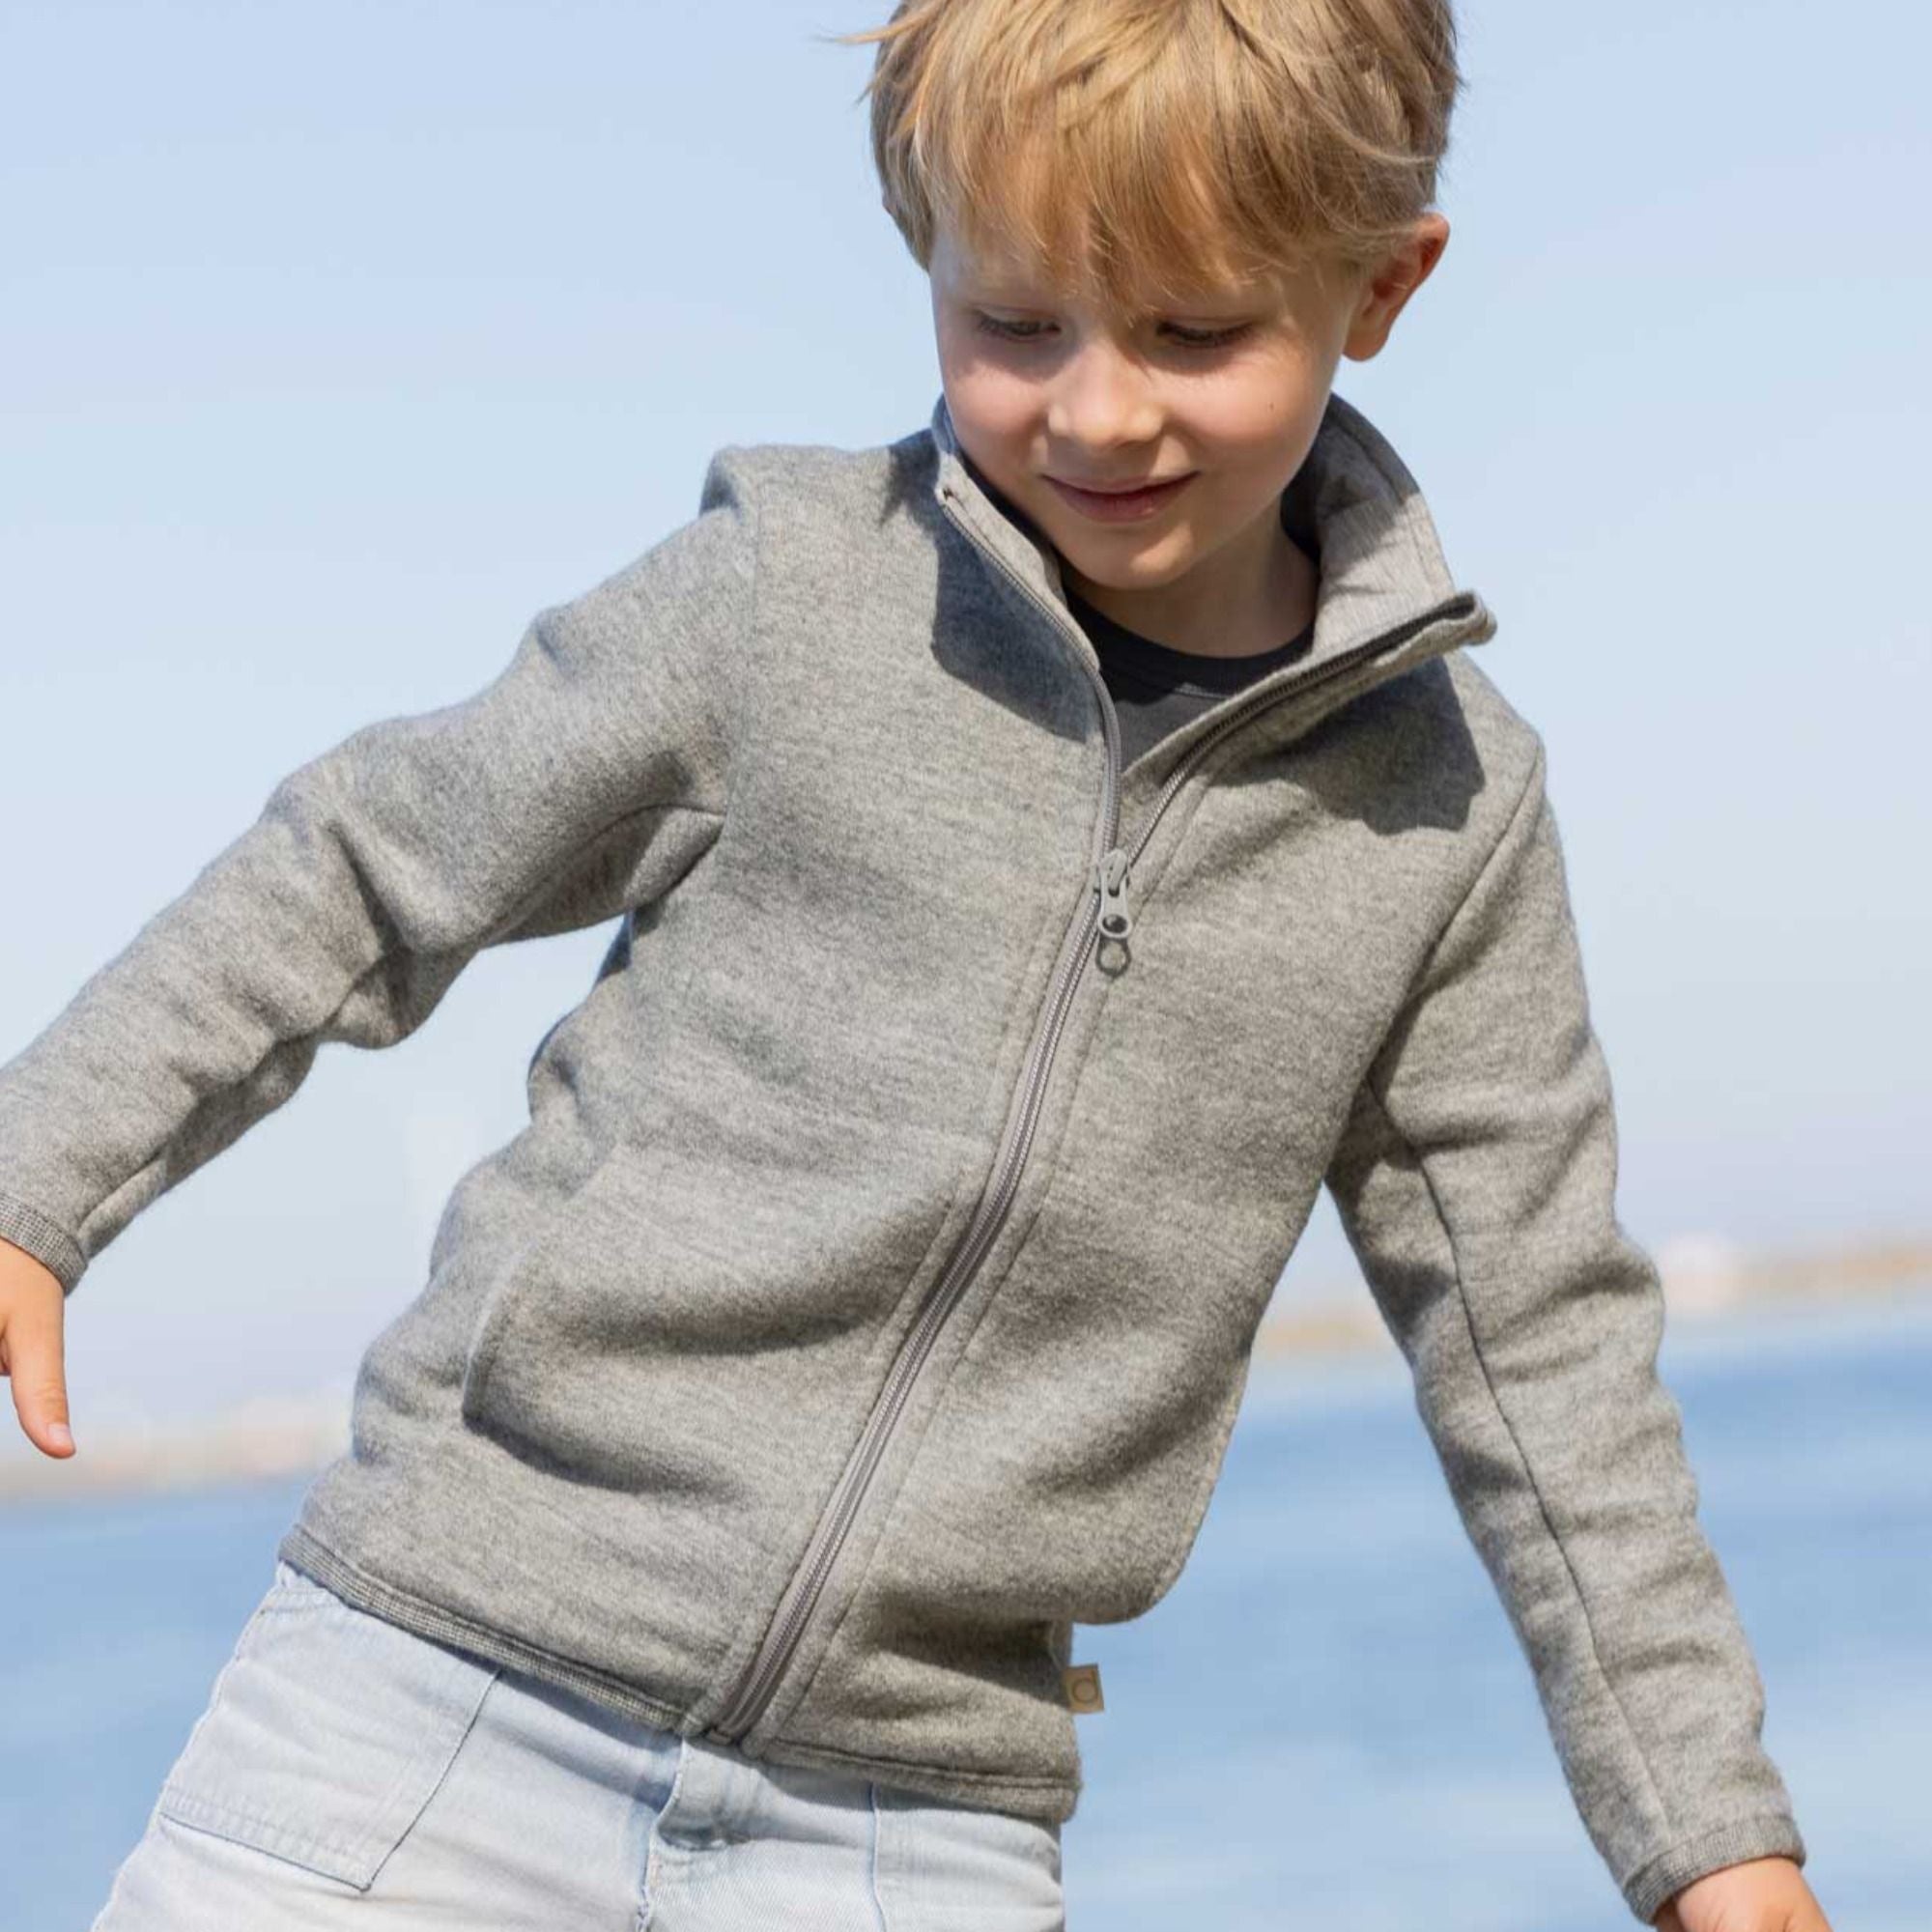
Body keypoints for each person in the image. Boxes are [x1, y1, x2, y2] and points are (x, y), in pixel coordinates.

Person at [0, 3, 1833, 1928]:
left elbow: (1541, 1348)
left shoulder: (1443, 808)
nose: (1095, 409)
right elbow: (369, 867)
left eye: (1192, 331)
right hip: (428, 1705)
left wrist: (1713, 1839)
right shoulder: (789, 591)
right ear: (923, 248)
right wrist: (40, 1178)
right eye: (1017, 321)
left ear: (1379, 286)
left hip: (911, 1833)